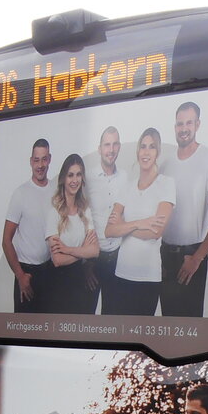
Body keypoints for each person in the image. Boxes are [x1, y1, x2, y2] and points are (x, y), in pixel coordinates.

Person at [159, 101, 208, 317]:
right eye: (180, 124)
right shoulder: (166, 164)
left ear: (197, 125)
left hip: (191, 256)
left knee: (190, 327)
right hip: (164, 256)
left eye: (188, 123)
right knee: (167, 326)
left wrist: (197, 257)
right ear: (175, 127)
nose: (183, 129)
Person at [106, 128, 176, 316]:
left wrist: (124, 224)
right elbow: (109, 230)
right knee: (121, 331)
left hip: (148, 277)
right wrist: (139, 223)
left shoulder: (166, 184)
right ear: (137, 151)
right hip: (122, 273)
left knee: (140, 332)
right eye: (143, 146)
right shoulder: (127, 187)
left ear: (158, 152)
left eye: (152, 147)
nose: (146, 152)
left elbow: (155, 232)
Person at [2, 139, 55, 313]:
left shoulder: (56, 191)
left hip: (49, 270)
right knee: (23, 326)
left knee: (48, 326)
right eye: (36, 160)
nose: (40, 165)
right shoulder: (20, 193)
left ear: (49, 159)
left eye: (44, 159)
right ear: (31, 161)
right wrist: (20, 276)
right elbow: (6, 241)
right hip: (26, 273)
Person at [45, 153, 100, 314]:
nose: (74, 180)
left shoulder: (85, 210)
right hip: (57, 284)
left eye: (78, 175)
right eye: (70, 175)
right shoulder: (54, 213)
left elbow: (95, 251)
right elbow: (57, 260)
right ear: (63, 178)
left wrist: (68, 250)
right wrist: (83, 250)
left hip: (79, 281)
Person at [87, 127, 128, 315]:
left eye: (114, 144)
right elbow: (80, 219)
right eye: (107, 145)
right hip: (93, 260)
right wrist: (85, 265)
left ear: (119, 147)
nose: (111, 150)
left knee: (112, 317)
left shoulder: (125, 178)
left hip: (117, 259)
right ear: (99, 149)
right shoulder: (87, 179)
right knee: (87, 317)